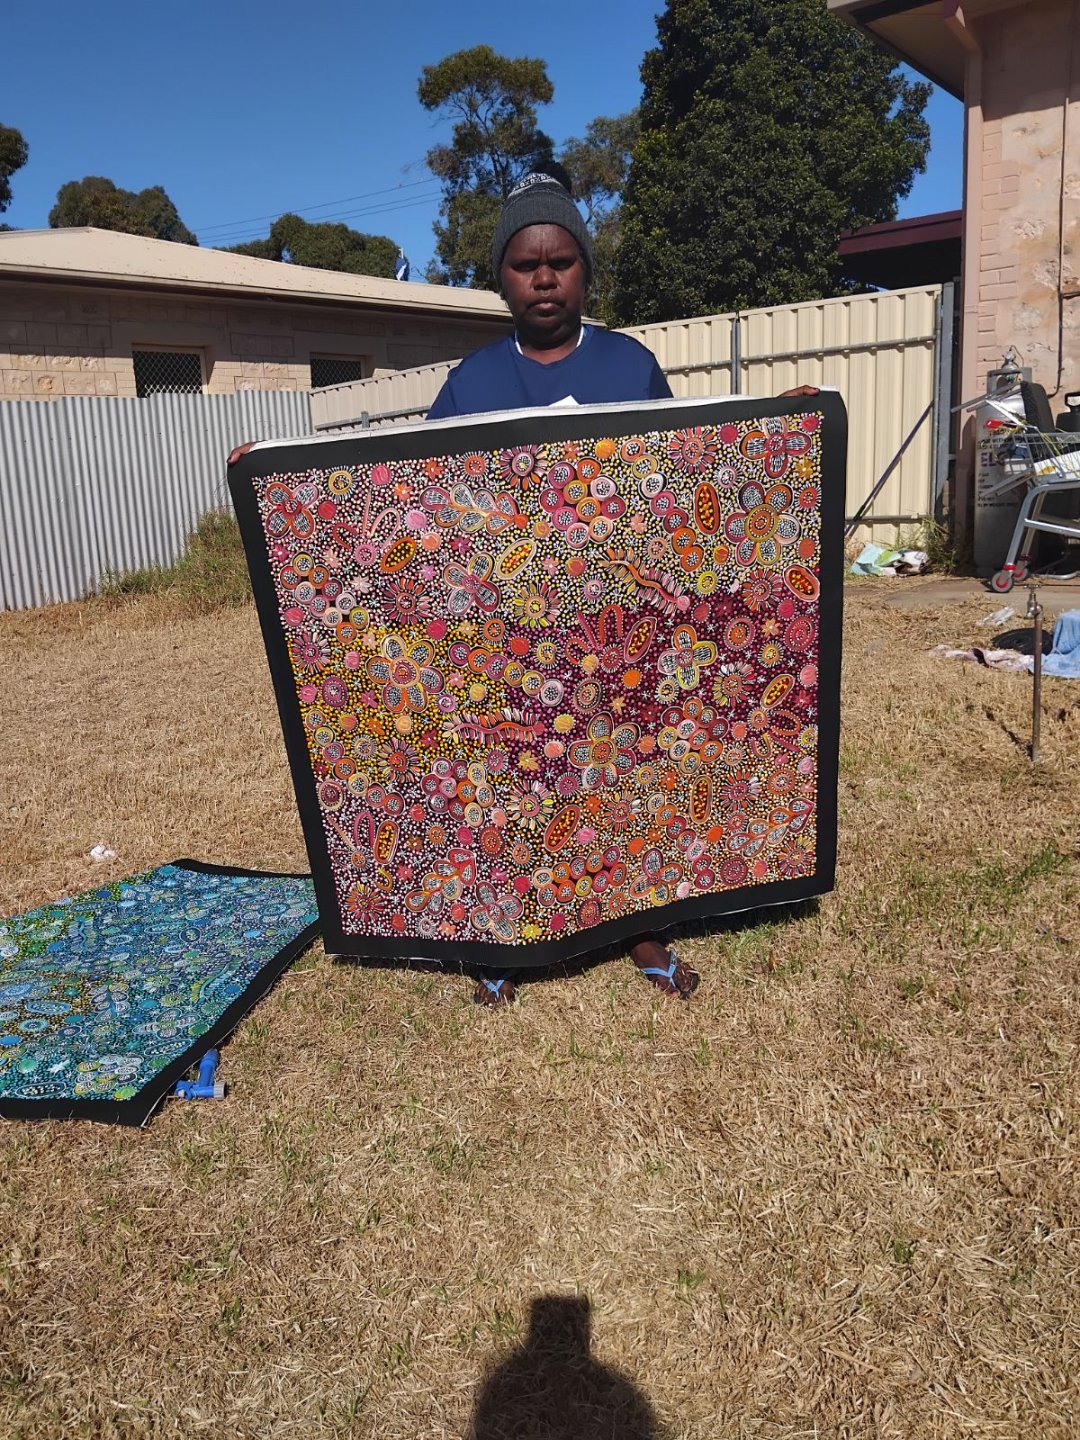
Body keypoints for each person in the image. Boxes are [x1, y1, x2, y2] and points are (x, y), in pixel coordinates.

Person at [426, 174, 814, 1008]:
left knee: (623, 776)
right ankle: (513, 935)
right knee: (519, 776)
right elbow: (414, 496)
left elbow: (690, 471)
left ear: (584, 271)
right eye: (525, 263)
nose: (543, 278)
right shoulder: (469, 383)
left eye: (561, 261)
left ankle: (636, 924)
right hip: (513, 631)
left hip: (617, 627)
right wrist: (273, 472)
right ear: (501, 275)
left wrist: (783, 430)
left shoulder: (628, 365)